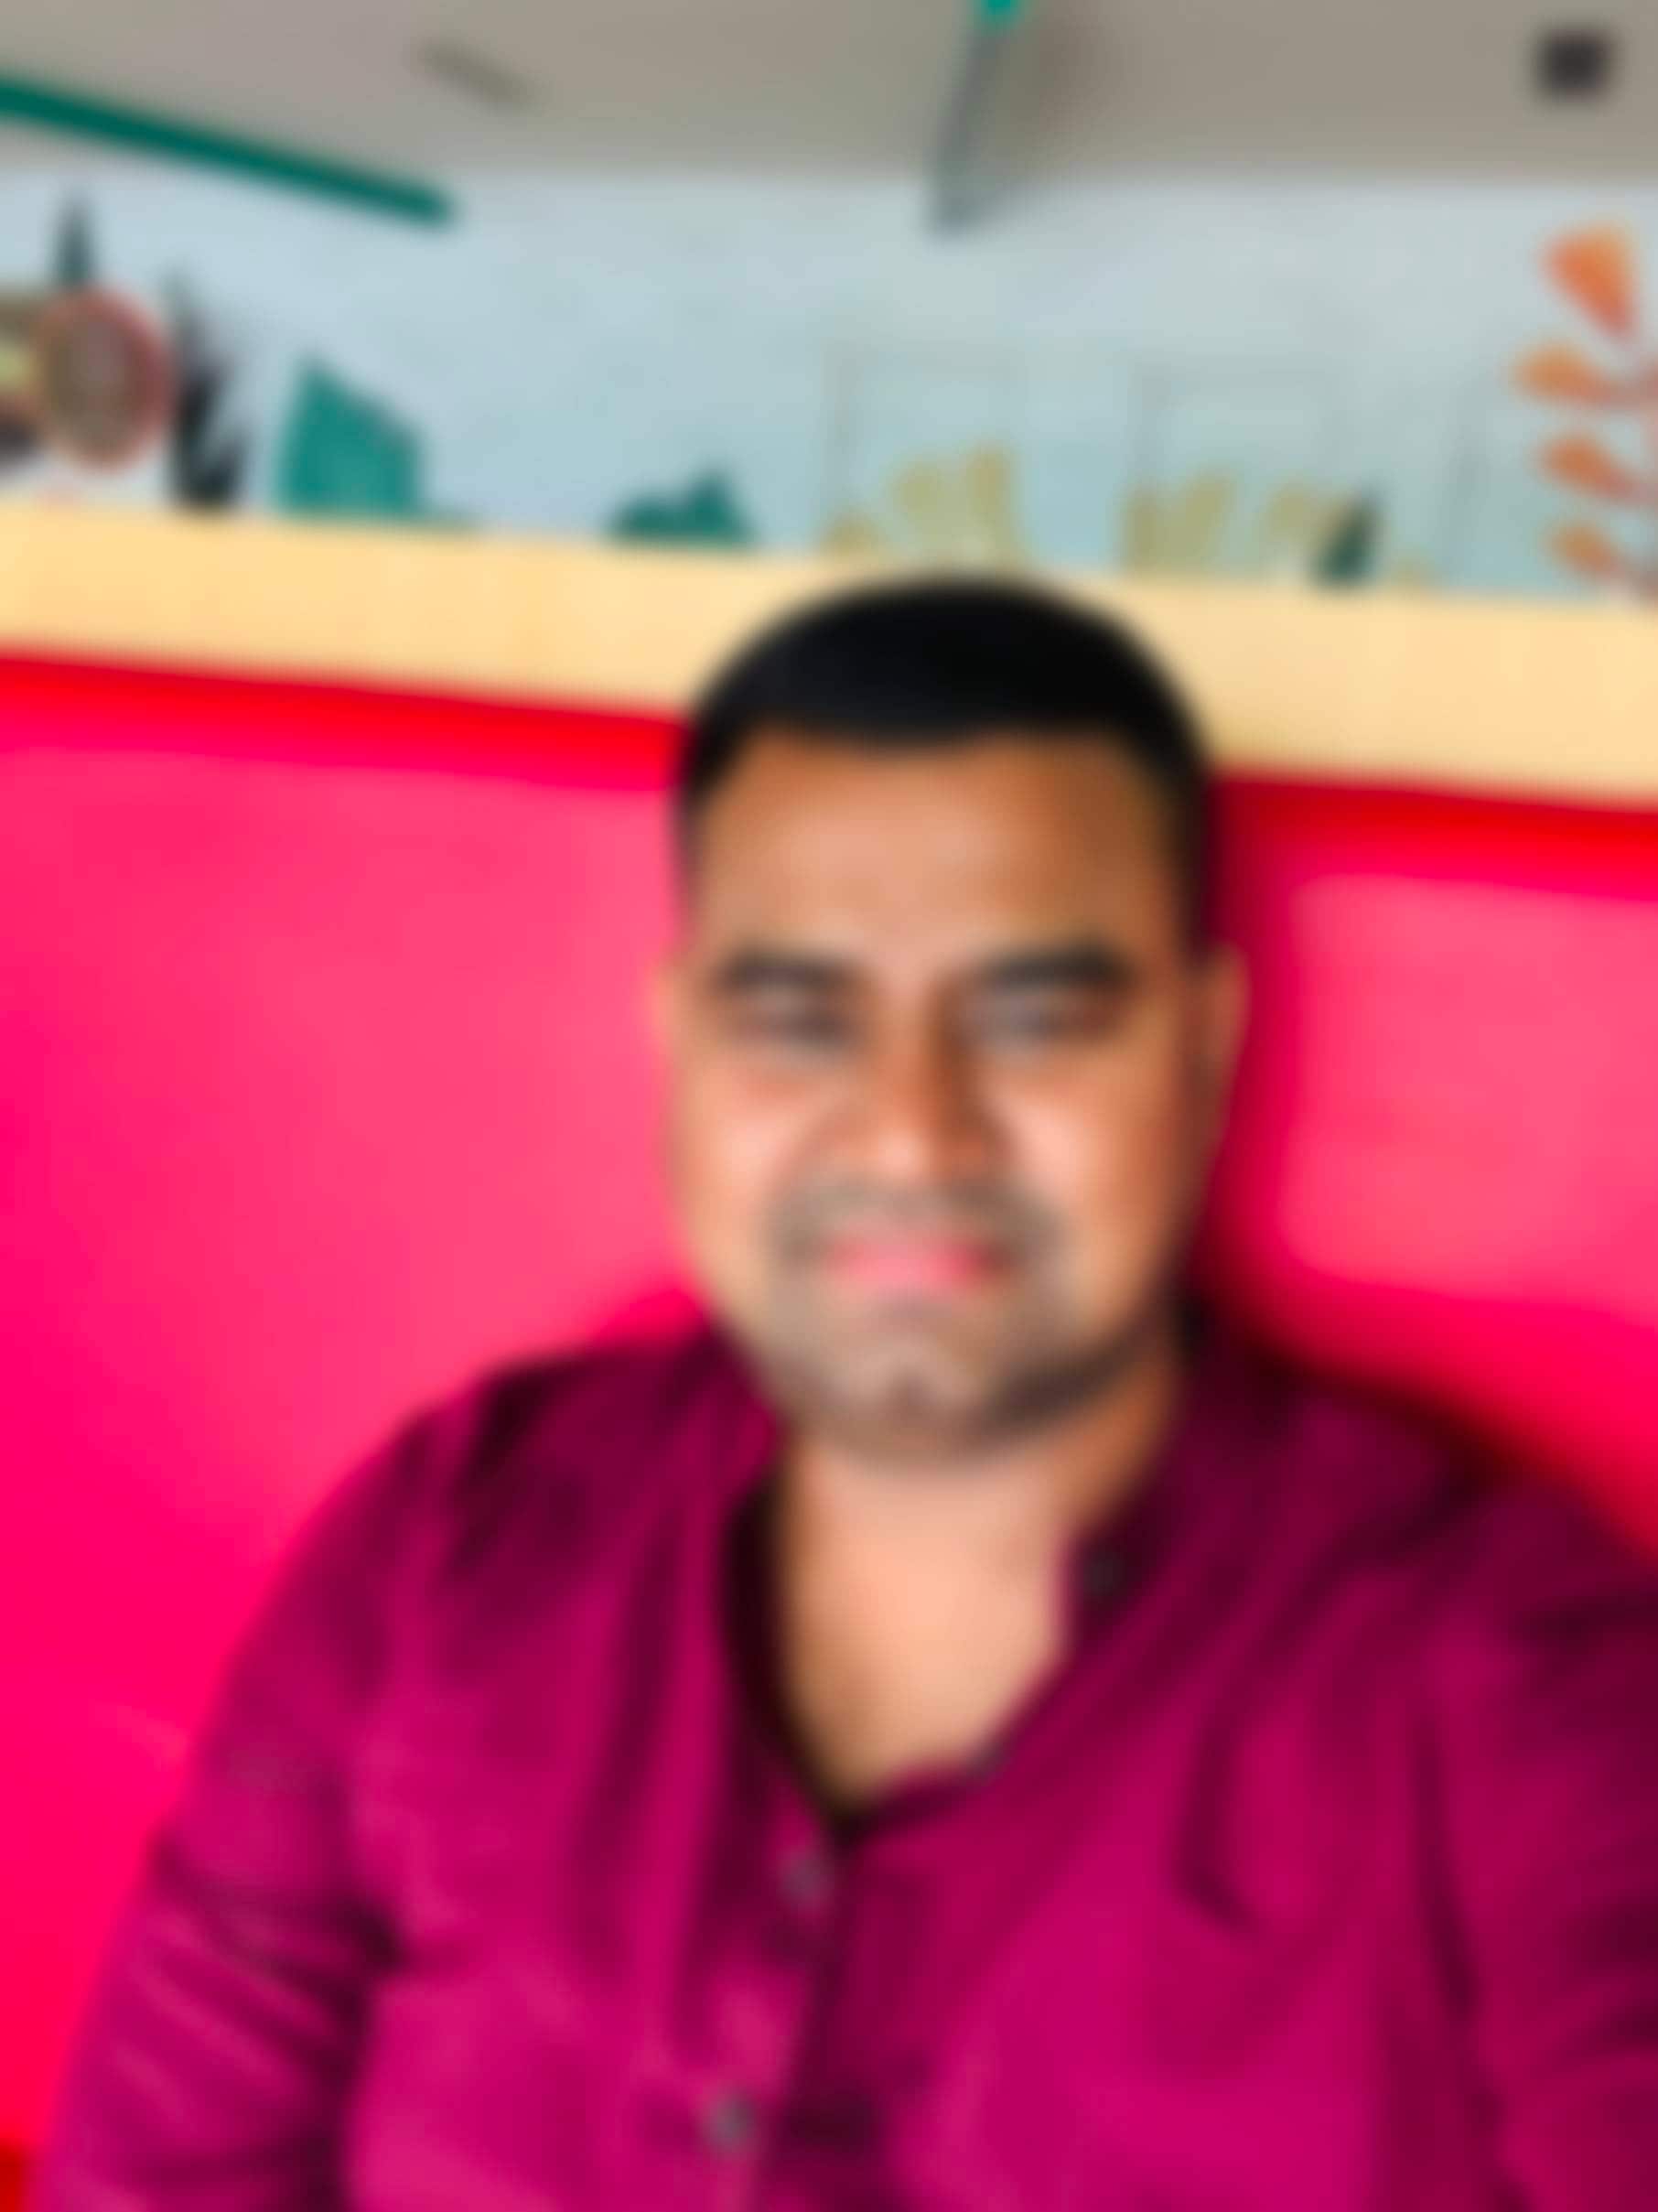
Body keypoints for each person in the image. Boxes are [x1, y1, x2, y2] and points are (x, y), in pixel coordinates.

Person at [39, 579, 1658, 2209]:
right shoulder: (444, 1552)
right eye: (800, 1020)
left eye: (1034, 1017)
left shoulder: (1507, 1685)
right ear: (680, 1046)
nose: (910, 1126)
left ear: (1201, 1045)